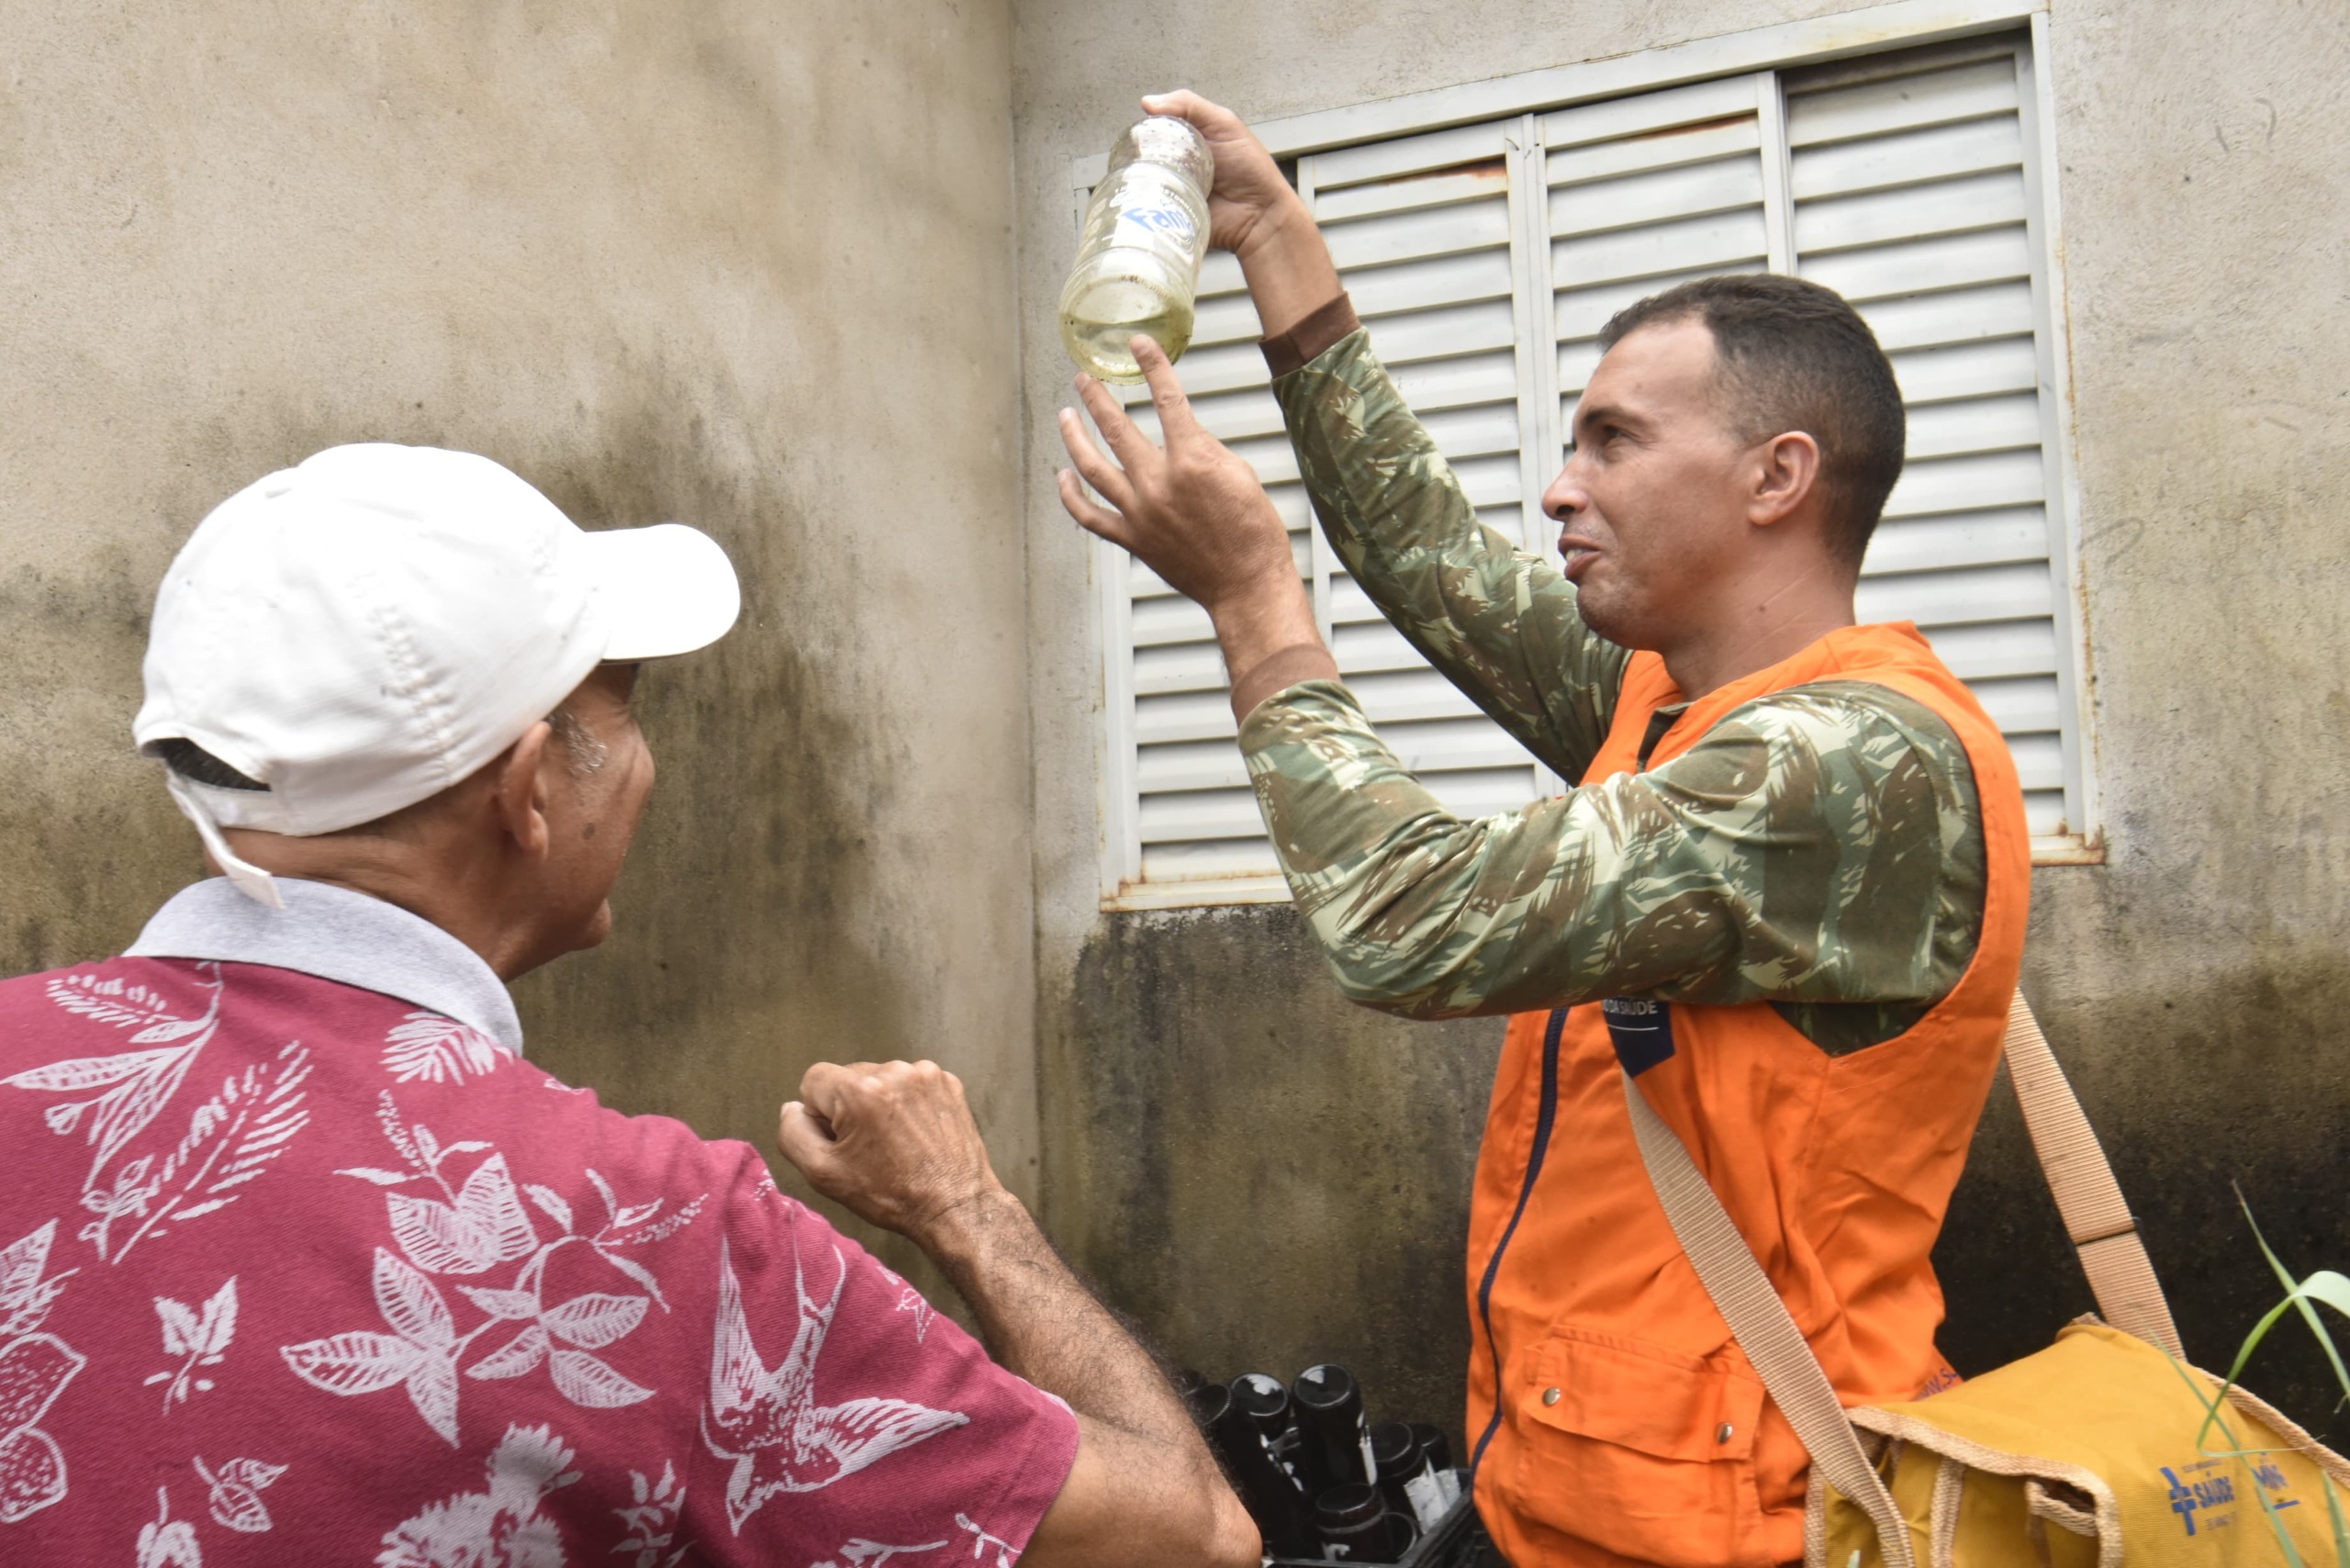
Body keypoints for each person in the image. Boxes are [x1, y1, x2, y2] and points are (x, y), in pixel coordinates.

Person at [1055, 91, 2031, 1568]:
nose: (1561, 486)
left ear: (1777, 477)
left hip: (1737, 1534)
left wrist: (1254, 597)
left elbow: (1405, 918)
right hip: (1562, 1494)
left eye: (1614, 440)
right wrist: (1273, 240)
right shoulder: (1675, 702)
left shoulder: (1848, 761)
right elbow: (1427, 554)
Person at [0, 442, 1258, 1567]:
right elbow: (1192, 1538)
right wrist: (968, 1208)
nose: (647, 765)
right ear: (530, 789)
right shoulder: (639, 1240)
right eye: (628, 708)